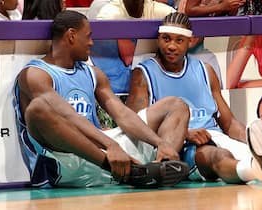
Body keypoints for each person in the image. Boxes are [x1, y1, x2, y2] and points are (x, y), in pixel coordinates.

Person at [13, 10, 190, 188]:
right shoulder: (35, 74)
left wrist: (159, 143)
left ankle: (159, 167)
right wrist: (110, 145)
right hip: (66, 161)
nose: (91, 42)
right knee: (38, 109)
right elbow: (69, 116)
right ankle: (129, 173)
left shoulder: (93, 73)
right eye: (88, 36)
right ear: (71, 36)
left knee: (176, 105)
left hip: (105, 148)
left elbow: (122, 114)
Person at [126, 12, 262, 186]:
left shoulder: (205, 70)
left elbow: (230, 123)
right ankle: (255, 170)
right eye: (166, 39)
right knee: (217, 155)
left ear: (190, 41)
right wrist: (184, 133)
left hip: (214, 134)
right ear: (158, 39)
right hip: (182, 147)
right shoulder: (143, 74)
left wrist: (252, 141)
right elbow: (137, 127)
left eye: (179, 40)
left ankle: (261, 162)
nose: (171, 46)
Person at [88, 0, 176, 93]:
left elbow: (184, 31)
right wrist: (120, 36)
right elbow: (127, 58)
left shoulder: (164, 12)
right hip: (116, 84)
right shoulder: (108, 13)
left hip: (154, 79)